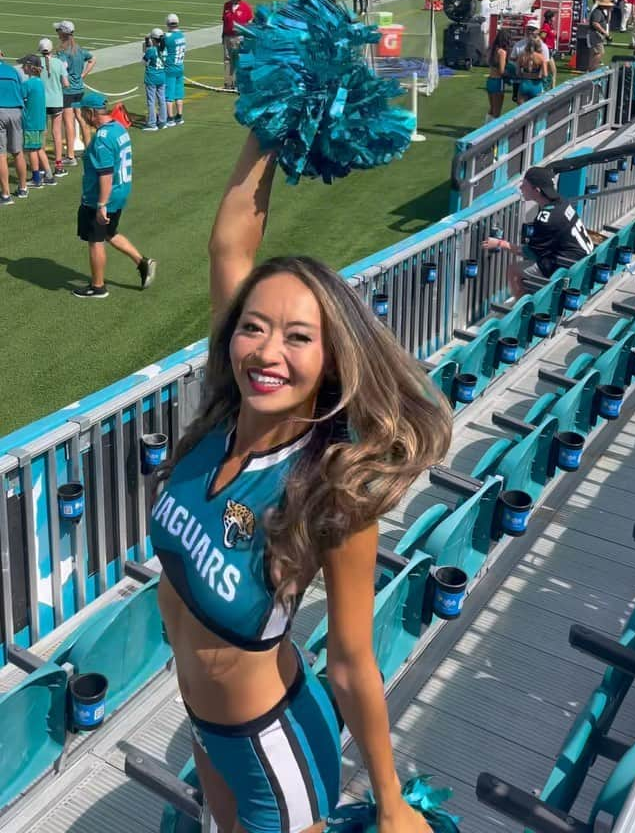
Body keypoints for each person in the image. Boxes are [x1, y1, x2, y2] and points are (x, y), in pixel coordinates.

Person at [149, 128, 453, 833]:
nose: (267, 352)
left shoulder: (332, 487)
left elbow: (350, 663)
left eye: (298, 338)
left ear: (333, 361)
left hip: (270, 747)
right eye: (253, 327)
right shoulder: (226, 408)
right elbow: (230, 247)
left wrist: (390, 799)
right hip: (202, 720)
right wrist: (271, 122)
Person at [73, 89, 156, 299]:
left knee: (96, 240)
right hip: (121, 191)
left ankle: (98, 287)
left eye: (83, 113)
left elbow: (105, 174)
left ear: (91, 112)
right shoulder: (118, 128)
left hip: (103, 196)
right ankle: (142, 262)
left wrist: (101, 204)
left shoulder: (102, 138)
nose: (81, 117)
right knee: (109, 232)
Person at [484, 164, 593, 296]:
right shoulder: (562, 203)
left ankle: (522, 311)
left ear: (536, 190)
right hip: (584, 262)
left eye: (524, 185)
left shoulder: (546, 219)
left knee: (514, 270)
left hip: (570, 268)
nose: (521, 188)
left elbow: (528, 253)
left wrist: (499, 243)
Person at [55, 20, 96, 163]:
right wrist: (84, 74)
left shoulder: (63, 52)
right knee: (81, 119)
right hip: (79, 89)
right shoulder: (78, 48)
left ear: (63, 33)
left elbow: (61, 70)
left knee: (69, 122)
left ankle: (70, 155)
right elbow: (92, 59)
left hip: (68, 91)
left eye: (58, 30)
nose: (57, 33)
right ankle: (89, 149)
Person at [20, 54, 55, 188]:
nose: (22, 67)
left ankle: (36, 178)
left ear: (29, 67)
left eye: (24, 65)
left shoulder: (28, 84)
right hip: (40, 121)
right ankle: (49, 175)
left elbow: (20, 98)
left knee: (31, 150)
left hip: (30, 122)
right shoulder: (40, 82)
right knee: (39, 148)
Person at [38, 36, 69, 177]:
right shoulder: (58, 63)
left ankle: (42, 165)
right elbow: (66, 84)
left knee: (42, 134)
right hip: (56, 101)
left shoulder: (37, 63)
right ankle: (58, 165)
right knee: (57, 133)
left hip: (42, 102)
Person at [0, 52, 28, 204]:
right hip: (16, 111)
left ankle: (5, 194)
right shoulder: (12, 70)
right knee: (18, 152)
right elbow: (22, 92)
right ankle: (23, 188)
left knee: (1, 154)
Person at [222, 0, 254, 90]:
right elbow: (224, 21)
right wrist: (223, 35)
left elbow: (250, 23)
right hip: (228, 36)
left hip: (239, 37)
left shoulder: (245, 7)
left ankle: (239, 83)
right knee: (227, 60)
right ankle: (228, 83)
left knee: (239, 60)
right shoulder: (226, 6)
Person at [485, 28, 513, 120]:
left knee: (492, 109)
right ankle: (491, 132)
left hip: (490, 80)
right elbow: (501, 71)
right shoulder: (502, 52)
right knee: (497, 112)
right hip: (498, 82)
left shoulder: (492, 49)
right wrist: (510, 74)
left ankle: (486, 127)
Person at [143, 30, 168, 132]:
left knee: (151, 101)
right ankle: (163, 121)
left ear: (153, 39)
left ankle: (152, 123)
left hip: (151, 78)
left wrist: (146, 43)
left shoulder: (151, 50)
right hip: (161, 76)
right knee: (162, 99)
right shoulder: (164, 49)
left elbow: (143, 62)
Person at [164, 14, 187, 126]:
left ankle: (170, 118)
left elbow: (161, 42)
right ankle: (179, 116)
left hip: (170, 68)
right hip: (180, 67)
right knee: (179, 94)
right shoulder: (181, 35)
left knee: (169, 96)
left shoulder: (168, 37)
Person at [586, 0, 614, 70]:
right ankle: (592, 68)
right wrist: (605, 33)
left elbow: (608, 21)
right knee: (599, 52)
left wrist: (609, 12)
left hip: (596, 34)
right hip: (595, 34)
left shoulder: (601, 11)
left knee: (594, 53)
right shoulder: (597, 12)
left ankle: (591, 68)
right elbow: (595, 23)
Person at [515, 36, 546, 103]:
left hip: (524, 84)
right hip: (536, 84)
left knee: (521, 110)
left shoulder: (522, 56)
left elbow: (517, 72)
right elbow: (545, 74)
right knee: (535, 110)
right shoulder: (541, 57)